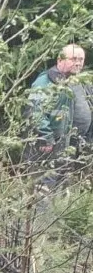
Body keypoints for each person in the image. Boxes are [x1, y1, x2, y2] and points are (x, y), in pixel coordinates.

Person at [26, 44, 86, 190]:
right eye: (73, 59)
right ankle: (43, 214)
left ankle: (57, 212)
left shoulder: (74, 82)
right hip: (47, 146)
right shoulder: (44, 82)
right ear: (60, 60)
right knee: (45, 186)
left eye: (81, 59)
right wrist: (46, 138)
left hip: (66, 145)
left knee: (61, 186)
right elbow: (35, 113)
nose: (78, 63)